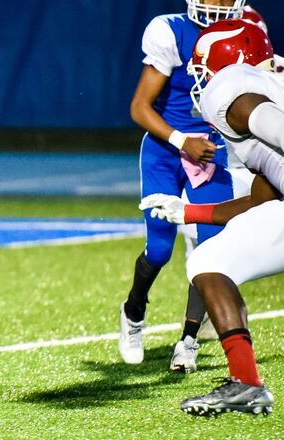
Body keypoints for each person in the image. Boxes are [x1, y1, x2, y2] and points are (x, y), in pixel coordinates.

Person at [139, 18, 281, 416]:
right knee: (209, 260)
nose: (200, 79)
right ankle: (246, 385)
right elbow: (263, 200)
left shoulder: (233, 91)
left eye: (202, 68)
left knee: (210, 261)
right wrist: (186, 211)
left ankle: (247, 385)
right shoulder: (266, 90)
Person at [119, 0, 249, 372]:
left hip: (210, 153)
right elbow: (139, 107)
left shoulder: (245, 29)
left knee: (211, 254)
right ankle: (133, 311)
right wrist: (182, 141)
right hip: (165, 150)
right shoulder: (169, 30)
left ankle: (188, 339)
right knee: (159, 250)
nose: (218, 4)